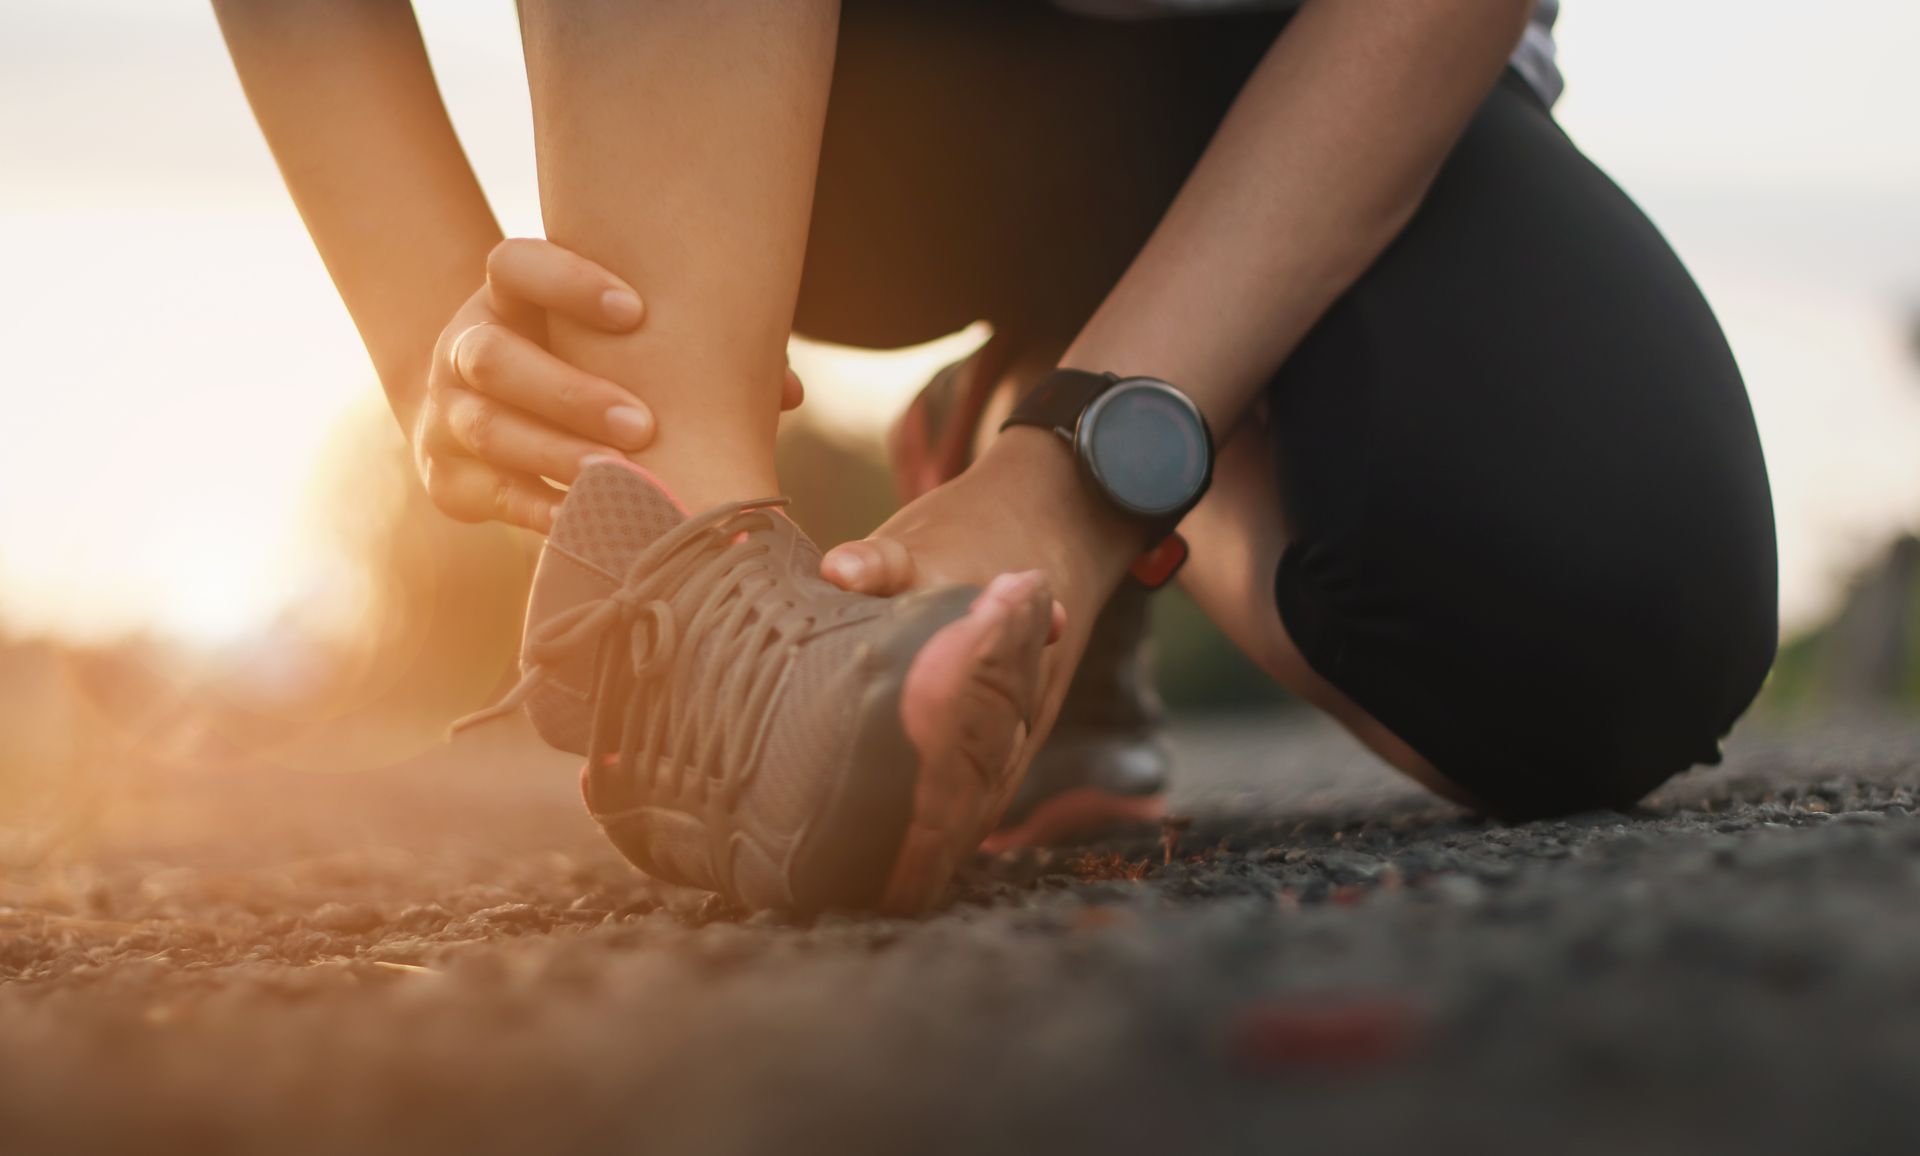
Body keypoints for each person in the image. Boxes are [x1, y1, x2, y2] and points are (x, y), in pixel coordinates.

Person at [212, 0, 1777, 914]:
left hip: (1289, 72)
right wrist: (422, 315)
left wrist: (1080, 478)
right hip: (834, 83)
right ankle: (706, 583)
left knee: (1612, 622)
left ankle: (1057, 420)